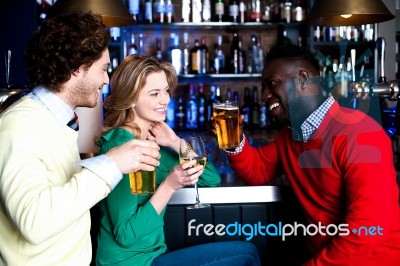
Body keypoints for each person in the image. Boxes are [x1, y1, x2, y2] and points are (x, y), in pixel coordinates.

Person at [214, 44, 400, 265]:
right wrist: (232, 140)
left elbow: (367, 231)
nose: (264, 96)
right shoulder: (291, 135)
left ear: (303, 79)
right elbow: (259, 170)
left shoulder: (360, 134)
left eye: (272, 84)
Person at [0, 12, 161, 265]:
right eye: (103, 69)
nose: (107, 80)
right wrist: (112, 164)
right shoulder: (19, 124)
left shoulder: (54, 120)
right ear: (78, 68)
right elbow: (34, 221)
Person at [95, 54, 261, 266]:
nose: (165, 100)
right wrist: (169, 185)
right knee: (246, 254)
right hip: (130, 263)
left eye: (165, 91)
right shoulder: (120, 147)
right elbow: (126, 235)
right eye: (154, 93)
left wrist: (174, 141)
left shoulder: (154, 141)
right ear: (131, 97)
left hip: (154, 257)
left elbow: (210, 177)